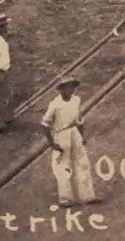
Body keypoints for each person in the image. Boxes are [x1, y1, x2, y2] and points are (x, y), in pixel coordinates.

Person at [42, 76, 98, 207]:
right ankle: (65, 199)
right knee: (63, 166)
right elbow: (45, 123)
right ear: (61, 90)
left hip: (74, 133)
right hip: (61, 134)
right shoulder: (55, 104)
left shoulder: (76, 100)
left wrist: (82, 136)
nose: (71, 90)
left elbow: (79, 120)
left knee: (83, 163)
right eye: (68, 87)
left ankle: (87, 196)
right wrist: (51, 142)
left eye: (73, 87)